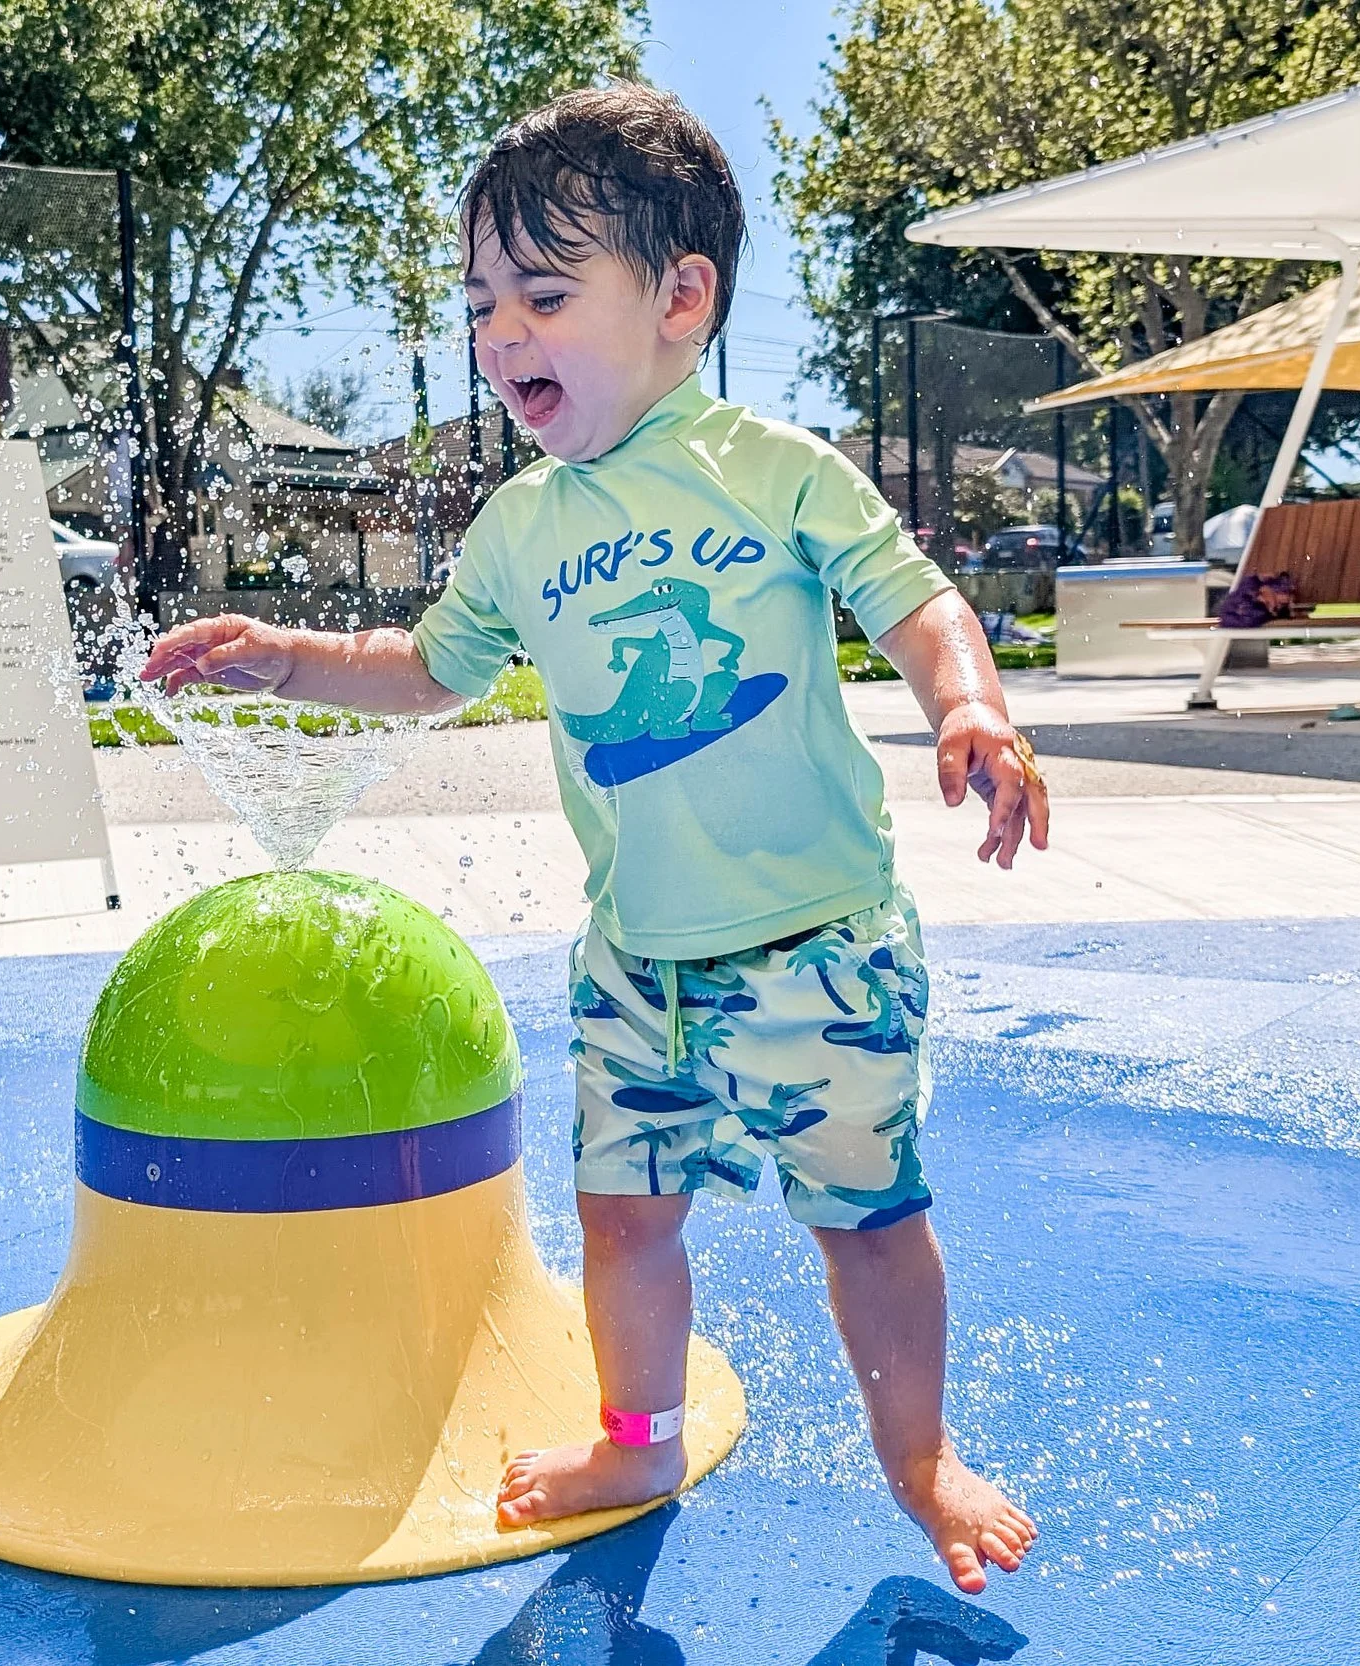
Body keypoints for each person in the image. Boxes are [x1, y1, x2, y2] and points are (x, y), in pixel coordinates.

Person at [143, 85, 1045, 1595]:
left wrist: (971, 707)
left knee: (868, 1224)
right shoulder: (518, 525)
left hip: (816, 948)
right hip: (635, 961)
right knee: (623, 1221)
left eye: (544, 297)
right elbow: (427, 669)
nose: (501, 337)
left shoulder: (771, 468)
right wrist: (281, 652)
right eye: (484, 303)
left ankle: (921, 1460)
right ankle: (638, 1433)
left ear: (680, 296)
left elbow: (916, 598)